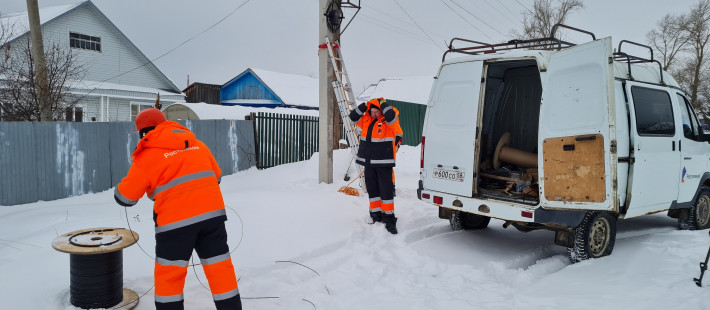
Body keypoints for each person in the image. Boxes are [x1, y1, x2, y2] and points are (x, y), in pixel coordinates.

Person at [113, 108, 241, 310]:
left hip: (175, 225)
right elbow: (216, 177)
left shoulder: (146, 157)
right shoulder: (197, 144)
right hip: (212, 217)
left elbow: (125, 198)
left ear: (142, 133)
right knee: (220, 270)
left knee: (169, 277)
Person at [349, 98, 403, 234]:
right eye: (372, 112)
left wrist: (383, 104)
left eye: (376, 112)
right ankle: (375, 215)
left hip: (384, 163)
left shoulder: (390, 121)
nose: (373, 114)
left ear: (382, 111)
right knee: (373, 192)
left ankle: (389, 219)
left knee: (386, 192)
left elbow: (391, 118)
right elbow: (353, 117)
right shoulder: (366, 120)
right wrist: (366, 105)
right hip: (369, 163)